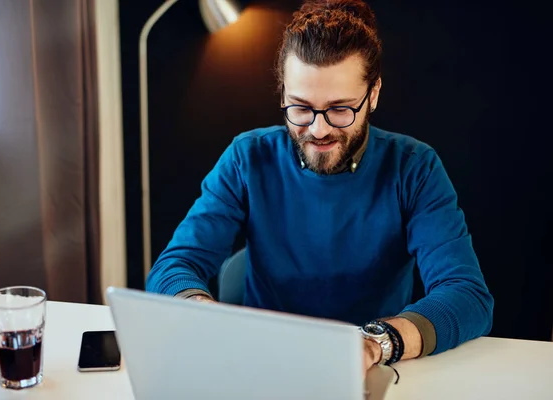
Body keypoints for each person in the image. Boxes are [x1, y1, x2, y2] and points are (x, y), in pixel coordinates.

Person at [146, 0, 494, 375]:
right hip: (262, 365)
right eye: (300, 107)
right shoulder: (247, 158)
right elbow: (173, 266)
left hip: (370, 368)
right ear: (282, 94)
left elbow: (467, 294)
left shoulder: (414, 167)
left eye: (341, 109)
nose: (318, 129)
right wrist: (206, 315)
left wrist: (376, 343)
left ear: (373, 94)